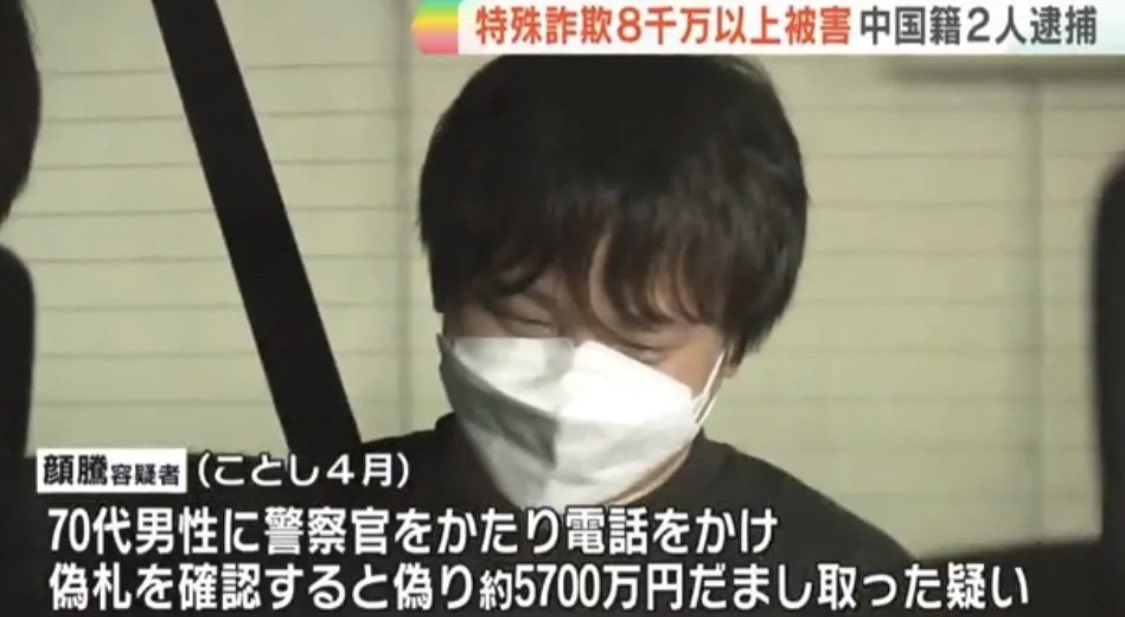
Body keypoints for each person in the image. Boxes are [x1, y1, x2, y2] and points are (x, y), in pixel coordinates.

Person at [359, 56, 913, 615]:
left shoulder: (850, 585)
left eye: (639, 345)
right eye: (527, 320)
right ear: (445, 290)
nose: (572, 385)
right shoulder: (313, 540)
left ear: (734, 346)